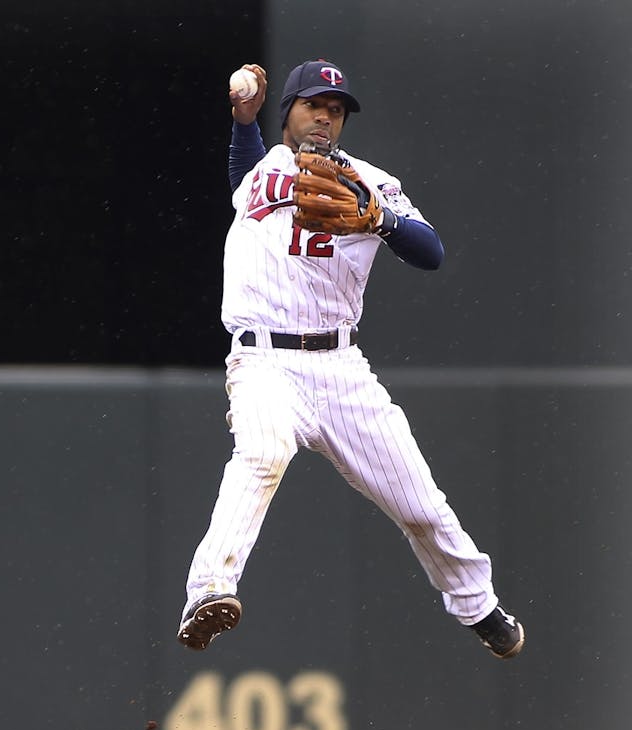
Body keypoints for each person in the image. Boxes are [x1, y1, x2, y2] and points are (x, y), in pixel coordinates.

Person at [176, 59, 525, 659]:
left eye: (335, 110)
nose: (325, 117)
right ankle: (209, 590)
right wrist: (242, 120)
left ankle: (479, 606)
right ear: (289, 110)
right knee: (262, 453)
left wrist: (383, 221)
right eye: (314, 105)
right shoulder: (264, 167)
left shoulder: (370, 181)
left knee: (420, 505)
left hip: (340, 369)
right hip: (263, 361)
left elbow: (432, 252)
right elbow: (244, 177)